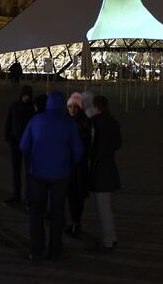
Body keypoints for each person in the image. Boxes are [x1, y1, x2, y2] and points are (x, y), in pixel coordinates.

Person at [19, 91, 84, 262]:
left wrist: (33, 158)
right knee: (57, 214)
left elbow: (23, 145)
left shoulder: (36, 121)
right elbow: (78, 151)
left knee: (36, 213)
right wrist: (69, 164)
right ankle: (55, 250)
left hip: (38, 173)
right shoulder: (68, 124)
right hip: (60, 175)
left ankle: (36, 250)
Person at [88, 95, 122, 252]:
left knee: (103, 208)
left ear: (96, 107)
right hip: (110, 167)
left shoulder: (96, 123)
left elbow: (94, 146)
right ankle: (112, 238)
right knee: (106, 206)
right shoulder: (113, 122)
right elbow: (118, 143)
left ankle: (108, 241)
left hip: (100, 170)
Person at [4, 85, 35, 206]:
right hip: (15, 141)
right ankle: (16, 195)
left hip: (28, 143)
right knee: (16, 170)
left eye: (28, 95)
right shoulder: (14, 106)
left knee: (28, 172)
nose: (26, 97)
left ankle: (28, 197)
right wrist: (8, 136)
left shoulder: (33, 107)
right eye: (25, 94)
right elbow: (9, 121)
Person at [66, 93, 92, 238]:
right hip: (73, 165)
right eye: (70, 106)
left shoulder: (83, 122)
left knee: (77, 195)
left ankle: (76, 222)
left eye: (74, 107)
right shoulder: (71, 120)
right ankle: (75, 222)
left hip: (79, 165)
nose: (72, 109)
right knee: (72, 195)